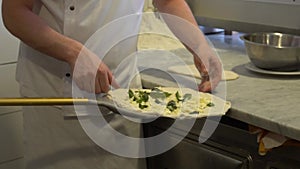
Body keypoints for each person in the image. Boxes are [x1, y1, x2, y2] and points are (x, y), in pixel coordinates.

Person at [2, 0, 222, 169]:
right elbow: (14, 12)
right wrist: (73, 52)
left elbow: (167, 1)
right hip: (55, 103)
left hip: (122, 99)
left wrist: (200, 45)